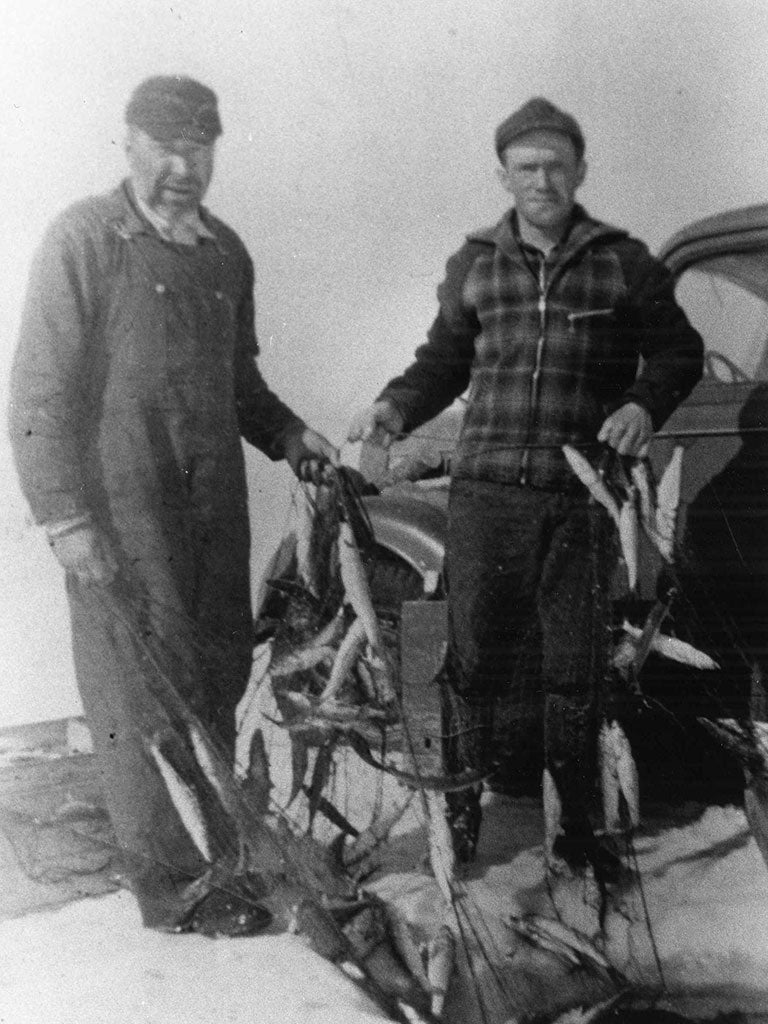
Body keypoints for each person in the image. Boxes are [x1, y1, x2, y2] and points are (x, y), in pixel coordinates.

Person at [8, 75, 338, 935]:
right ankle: (175, 891)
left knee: (216, 678)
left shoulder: (224, 253)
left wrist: (294, 437)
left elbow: (242, 385)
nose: (182, 169)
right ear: (129, 145)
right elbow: (37, 395)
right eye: (165, 151)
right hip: (122, 518)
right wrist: (66, 521)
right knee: (139, 701)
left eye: (199, 151)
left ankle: (220, 861)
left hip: (212, 512)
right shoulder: (84, 239)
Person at [348, 97, 704, 879]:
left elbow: (681, 355)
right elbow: (441, 361)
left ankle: (579, 833)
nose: (541, 180)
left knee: (575, 672)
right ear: (503, 175)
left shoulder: (624, 261)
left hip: (577, 501)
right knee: (476, 665)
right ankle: (463, 820)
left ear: (580, 171)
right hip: (486, 501)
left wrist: (644, 406)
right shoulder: (475, 262)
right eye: (526, 167)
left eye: (556, 165)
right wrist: (396, 405)